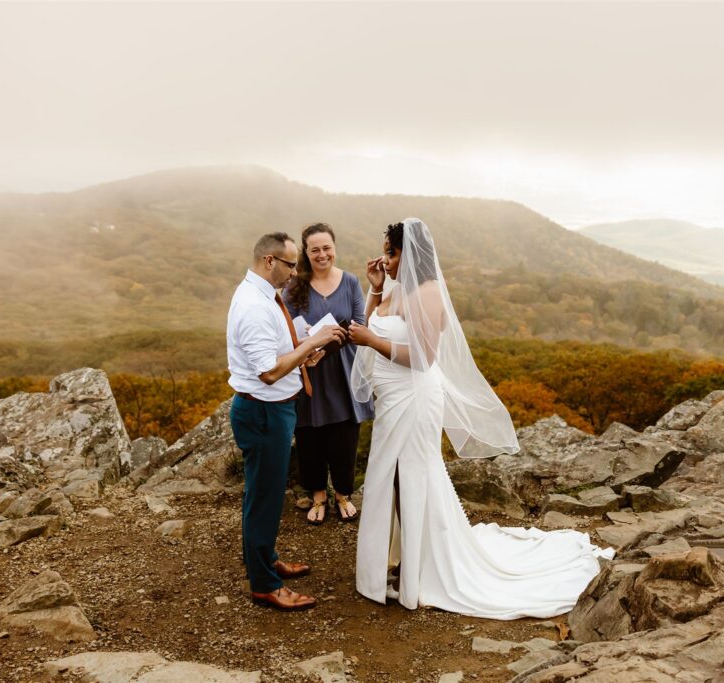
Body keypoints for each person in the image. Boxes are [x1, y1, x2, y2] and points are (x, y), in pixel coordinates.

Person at [347, 218, 614, 620]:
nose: (386, 258)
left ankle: (420, 569)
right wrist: (374, 288)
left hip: (415, 398)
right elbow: (369, 327)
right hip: (391, 400)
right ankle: (400, 562)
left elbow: (423, 358)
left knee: (414, 475)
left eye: (391, 252)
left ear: (410, 254)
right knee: (391, 477)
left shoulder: (429, 292)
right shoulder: (396, 288)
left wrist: (370, 341)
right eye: (386, 251)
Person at [227, 232, 346, 611]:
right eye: (291, 264)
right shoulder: (254, 306)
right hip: (263, 412)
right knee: (264, 497)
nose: (296, 272)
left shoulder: (265, 295)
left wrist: (301, 351)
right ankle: (265, 584)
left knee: (264, 492)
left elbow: (278, 354)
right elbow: (268, 373)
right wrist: (313, 343)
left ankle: (263, 557)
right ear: (269, 261)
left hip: (271, 409)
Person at [283, 223, 374, 525]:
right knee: (309, 434)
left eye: (326, 248)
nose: (322, 254)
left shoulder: (349, 281)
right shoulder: (294, 285)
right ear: (306, 253)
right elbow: (283, 326)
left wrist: (331, 342)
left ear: (334, 248)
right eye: (314, 250)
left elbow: (359, 323)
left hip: (343, 366)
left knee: (344, 435)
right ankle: (318, 494)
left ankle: (343, 494)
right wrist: (309, 344)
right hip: (308, 369)